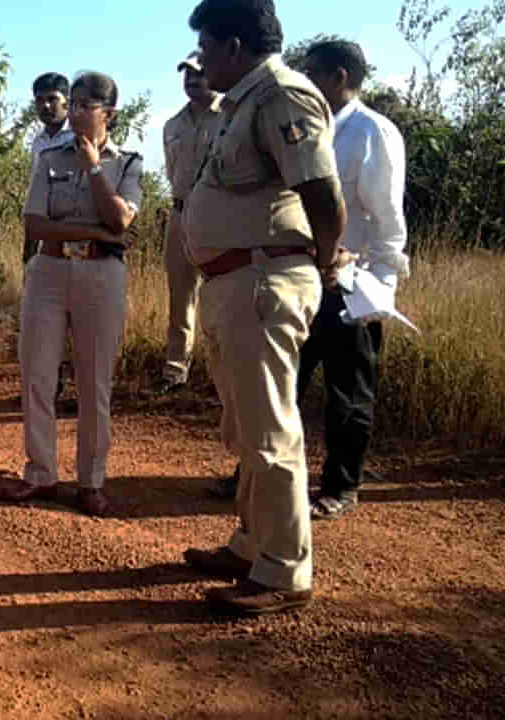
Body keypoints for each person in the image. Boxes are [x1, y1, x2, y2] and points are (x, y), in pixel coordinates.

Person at [179, 0, 348, 616]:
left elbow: (323, 192)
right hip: (235, 282)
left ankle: (284, 569)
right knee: (249, 426)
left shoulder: (282, 95)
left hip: (262, 280)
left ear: (233, 45)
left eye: (205, 47)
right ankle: (251, 543)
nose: (199, 60)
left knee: (271, 428)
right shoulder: (240, 103)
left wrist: (326, 263)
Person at [0, 72, 143, 517]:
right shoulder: (48, 159)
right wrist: (95, 229)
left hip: (101, 275)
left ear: (109, 114)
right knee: (37, 375)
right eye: (74, 103)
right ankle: (40, 471)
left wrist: (94, 168)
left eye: (86, 105)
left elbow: (119, 221)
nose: (76, 112)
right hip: (49, 269)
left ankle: (91, 480)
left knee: (95, 382)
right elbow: (35, 225)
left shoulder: (129, 163)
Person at [298, 39, 409, 519]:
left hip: (352, 285)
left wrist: (379, 292)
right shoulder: (306, 131)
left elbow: (388, 221)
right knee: (283, 384)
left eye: (312, 73)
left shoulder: (372, 134)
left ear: (338, 78)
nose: (304, 82)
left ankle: (342, 485)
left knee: (348, 393)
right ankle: (259, 477)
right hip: (299, 279)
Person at [153, 51, 221, 396]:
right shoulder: (172, 125)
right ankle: (175, 372)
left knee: (220, 296)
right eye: (187, 75)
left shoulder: (231, 117)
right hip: (180, 215)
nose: (193, 80)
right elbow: (170, 172)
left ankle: (218, 375)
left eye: (200, 74)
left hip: (220, 217)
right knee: (180, 298)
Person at [25, 71, 75, 402]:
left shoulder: (80, 136)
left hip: (76, 233)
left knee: (78, 314)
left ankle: (79, 385)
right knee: (47, 314)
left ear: (66, 102)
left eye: (52, 99)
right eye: (40, 100)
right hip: (45, 235)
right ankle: (51, 384)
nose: (45, 105)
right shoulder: (38, 142)